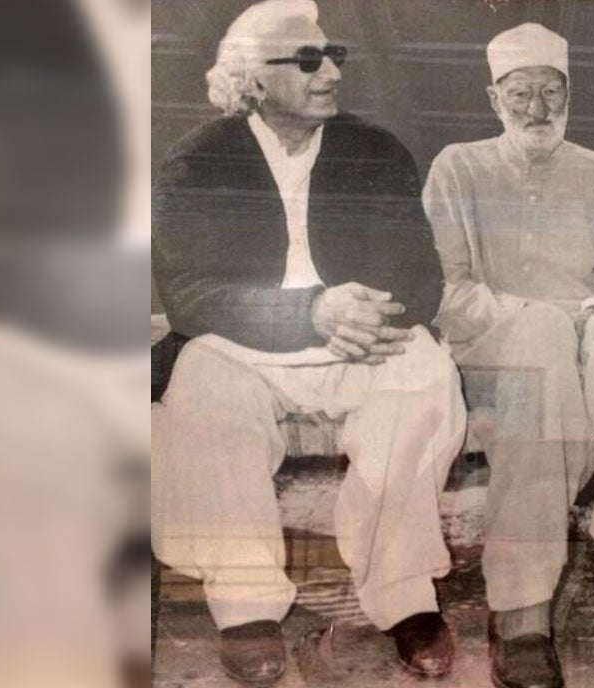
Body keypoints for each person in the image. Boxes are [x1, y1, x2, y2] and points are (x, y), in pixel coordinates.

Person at [151, 0, 465, 684]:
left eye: (333, 57)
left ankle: (405, 594)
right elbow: (189, 293)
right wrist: (309, 313)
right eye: (306, 60)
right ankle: (246, 611)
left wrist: (372, 316)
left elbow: (421, 273)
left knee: (426, 372)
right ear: (251, 81)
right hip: (248, 342)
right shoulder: (198, 160)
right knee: (202, 380)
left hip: (361, 339)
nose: (328, 72)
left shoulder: (375, 152)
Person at [423, 22, 594, 688]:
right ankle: (521, 609)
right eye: (520, 94)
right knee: (540, 342)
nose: (538, 110)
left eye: (551, 91)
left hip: (584, 344)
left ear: (570, 94)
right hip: (493, 353)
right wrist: (538, 320)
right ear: (493, 98)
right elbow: (446, 287)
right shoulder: (460, 166)